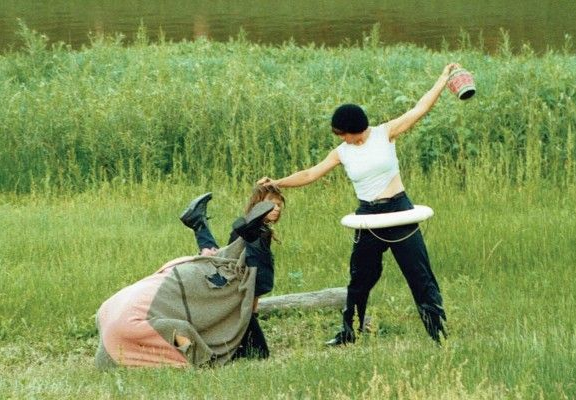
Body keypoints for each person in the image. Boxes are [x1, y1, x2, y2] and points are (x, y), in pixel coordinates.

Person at [258, 63, 458, 346]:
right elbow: (310, 174)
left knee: (420, 275)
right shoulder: (342, 152)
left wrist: (443, 78)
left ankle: (438, 335)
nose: (341, 138)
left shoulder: (385, 133)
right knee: (360, 279)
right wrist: (276, 182)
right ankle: (349, 332)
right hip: (368, 216)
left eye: (343, 133)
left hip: (399, 210)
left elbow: (420, 108)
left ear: (355, 129)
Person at [94, 192, 279, 369]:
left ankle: (239, 235)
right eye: (273, 204)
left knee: (237, 275)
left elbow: (181, 335)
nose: (277, 208)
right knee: (230, 268)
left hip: (178, 284)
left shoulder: (122, 337)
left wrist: (203, 357)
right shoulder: (114, 321)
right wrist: (204, 360)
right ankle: (223, 231)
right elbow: (180, 333)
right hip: (175, 276)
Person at [179, 185, 285, 359]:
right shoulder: (255, 233)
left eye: (279, 205)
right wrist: (250, 312)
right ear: (257, 206)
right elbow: (247, 276)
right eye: (271, 204)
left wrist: (252, 312)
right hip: (233, 295)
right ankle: (199, 224)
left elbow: (251, 277)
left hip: (234, 290)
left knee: (217, 257)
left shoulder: (260, 232)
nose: (277, 208)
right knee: (259, 354)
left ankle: (199, 224)